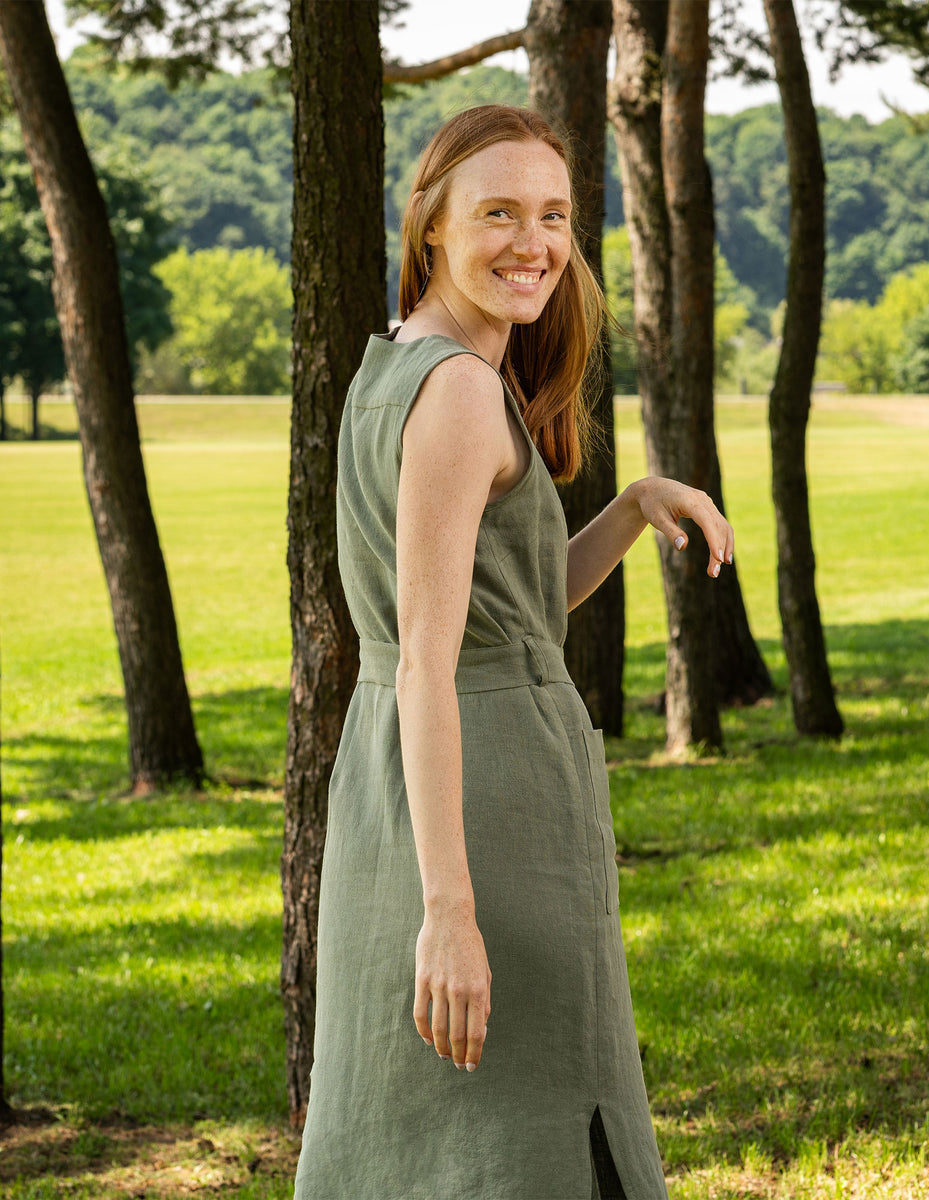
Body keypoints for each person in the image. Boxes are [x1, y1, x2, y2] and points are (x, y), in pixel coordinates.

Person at [293, 105, 733, 1200]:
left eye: (554, 216)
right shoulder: (454, 393)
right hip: (483, 808)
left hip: (404, 785)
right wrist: (450, 910)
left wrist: (630, 505)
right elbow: (436, 662)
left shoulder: (401, 363)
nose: (533, 243)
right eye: (498, 213)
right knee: (529, 1131)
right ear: (432, 226)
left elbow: (509, 614)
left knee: (424, 1137)